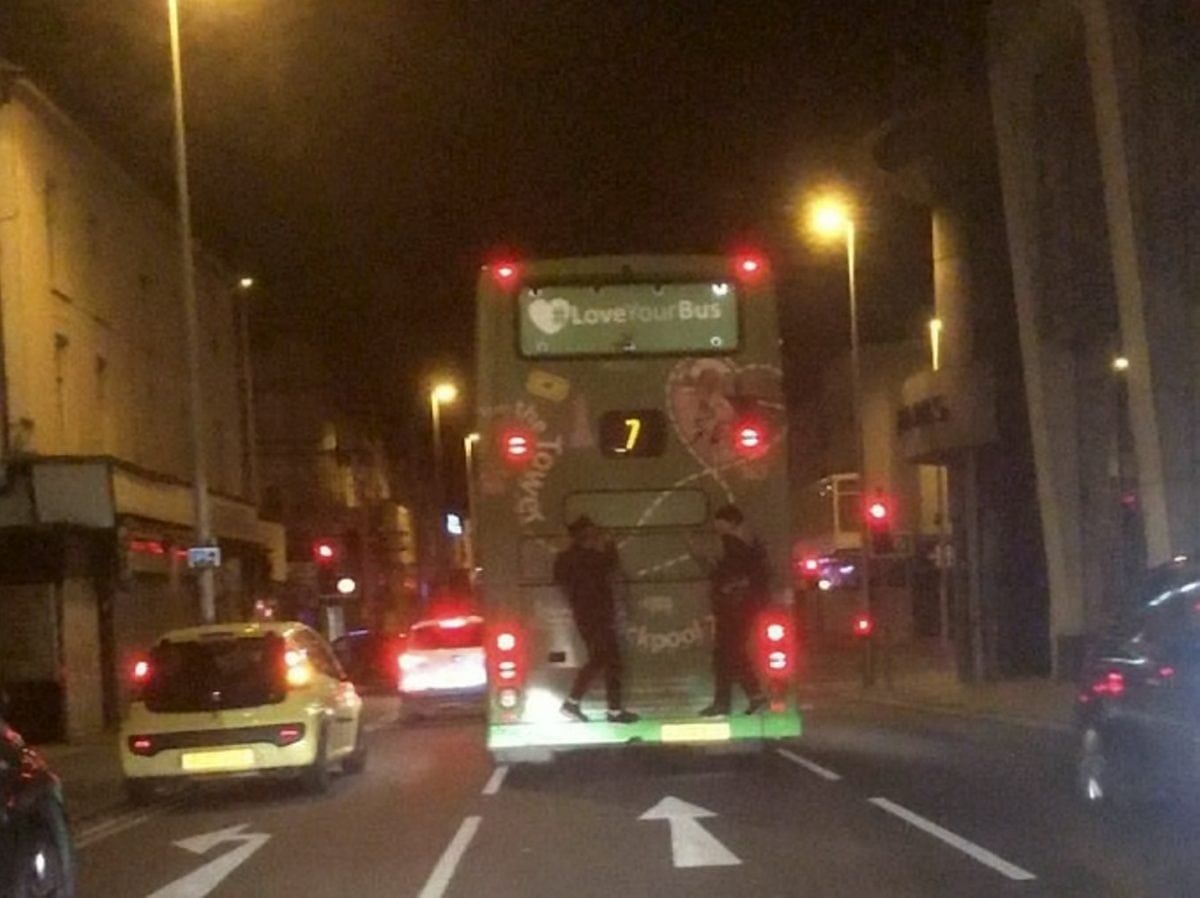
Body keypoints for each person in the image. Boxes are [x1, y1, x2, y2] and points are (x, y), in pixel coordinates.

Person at [553, 515, 639, 724]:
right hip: (599, 615)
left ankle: (594, 706)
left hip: (583, 615)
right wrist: (610, 543)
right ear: (586, 536)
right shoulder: (592, 557)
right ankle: (602, 708)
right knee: (610, 660)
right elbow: (611, 563)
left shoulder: (563, 559)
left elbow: (559, 580)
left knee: (602, 659)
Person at [695, 503, 769, 716]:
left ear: (730, 522)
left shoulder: (732, 543)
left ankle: (742, 697)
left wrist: (723, 583)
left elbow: (730, 576)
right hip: (741, 608)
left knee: (727, 654)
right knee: (728, 654)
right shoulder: (750, 543)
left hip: (734, 609)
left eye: (720, 521)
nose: (716, 525)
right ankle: (733, 699)